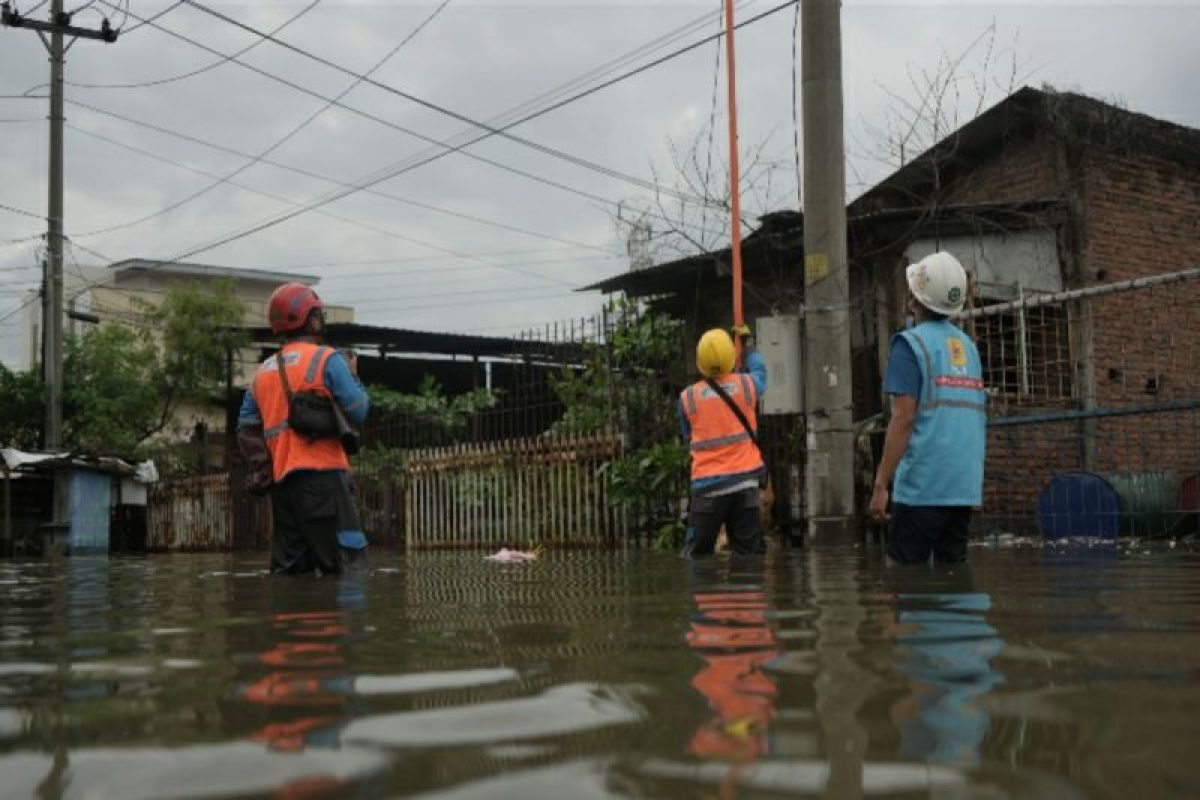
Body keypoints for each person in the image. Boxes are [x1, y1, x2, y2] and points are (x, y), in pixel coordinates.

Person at [238, 282, 370, 575]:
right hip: (324, 482)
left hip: (283, 488)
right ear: (310, 319)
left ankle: (288, 622)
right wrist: (353, 375)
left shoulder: (261, 373)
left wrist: (263, 467)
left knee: (289, 574)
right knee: (349, 570)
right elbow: (359, 410)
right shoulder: (327, 358)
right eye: (318, 313)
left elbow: (245, 426)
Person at [869, 251, 987, 564]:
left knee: (905, 581)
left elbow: (903, 418)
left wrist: (882, 483)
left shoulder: (909, 345)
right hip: (963, 488)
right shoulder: (969, 349)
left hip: (922, 488)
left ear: (913, 300)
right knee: (953, 579)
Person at [679, 325, 769, 556]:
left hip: (707, 489)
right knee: (749, 558)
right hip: (745, 485)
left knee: (696, 557)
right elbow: (761, 371)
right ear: (731, 357)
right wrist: (747, 347)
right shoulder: (747, 385)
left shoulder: (688, 398)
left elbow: (688, 435)